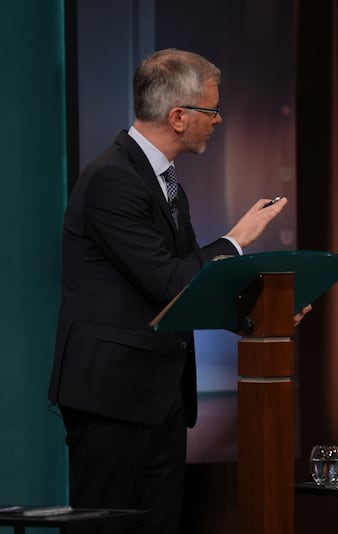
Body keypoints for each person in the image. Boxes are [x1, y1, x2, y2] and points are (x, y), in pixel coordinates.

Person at [47, 48, 309, 534]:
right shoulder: (113, 179)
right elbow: (169, 281)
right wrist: (235, 240)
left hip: (160, 395)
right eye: (211, 111)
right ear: (179, 117)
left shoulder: (164, 180)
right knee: (107, 527)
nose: (219, 119)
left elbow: (188, 286)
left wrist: (254, 317)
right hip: (113, 399)